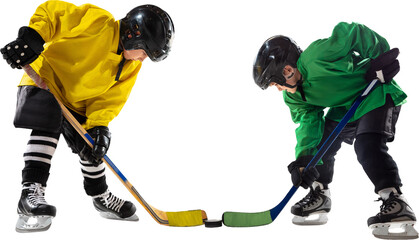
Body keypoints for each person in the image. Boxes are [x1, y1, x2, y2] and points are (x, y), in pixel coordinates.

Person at [1, 0, 174, 232]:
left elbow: (110, 99)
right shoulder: (97, 22)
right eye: (144, 52)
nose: (142, 58)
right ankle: (30, 195)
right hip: (46, 79)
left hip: (79, 102)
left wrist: (99, 125)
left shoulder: (131, 65)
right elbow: (53, 14)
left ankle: (100, 196)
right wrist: (32, 38)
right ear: (134, 35)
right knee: (47, 127)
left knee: (92, 147)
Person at [252, 22, 417, 239]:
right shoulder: (294, 95)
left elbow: (352, 33)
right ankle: (320, 194)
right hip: (347, 107)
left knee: (366, 147)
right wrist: (303, 162)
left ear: (287, 70)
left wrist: (380, 56)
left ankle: (395, 200)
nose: (279, 89)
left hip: (374, 92)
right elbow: (308, 123)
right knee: (320, 146)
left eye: (276, 84)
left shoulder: (316, 57)